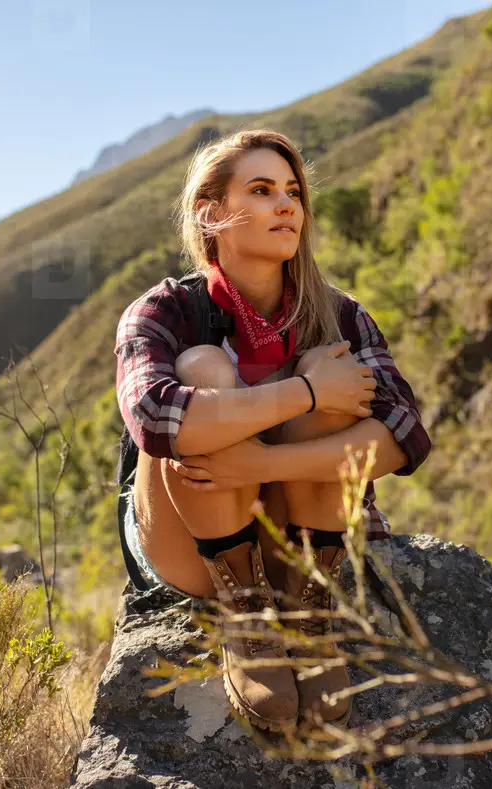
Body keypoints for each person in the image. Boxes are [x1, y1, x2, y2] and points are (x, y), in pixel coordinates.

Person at [113, 128, 431, 732]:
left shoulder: (338, 313)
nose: (287, 205)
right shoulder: (164, 310)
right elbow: (157, 418)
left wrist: (261, 465)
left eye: (293, 192)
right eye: (261, 190)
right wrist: (304, 392)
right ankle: (247, 616)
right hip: (192, 539)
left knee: (336, 374)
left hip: (300, 527)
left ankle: (310, 614)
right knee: (203, 369)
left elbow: (404, 435)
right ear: (211, 213)